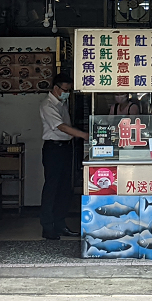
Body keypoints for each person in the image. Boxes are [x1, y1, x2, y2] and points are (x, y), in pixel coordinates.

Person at [39, 72, 88, 240]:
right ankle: (47, 227)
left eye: (69, 90)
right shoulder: (47, 105)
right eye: (65, 90)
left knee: (65, 188)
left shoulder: (62, 103)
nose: (67, 93)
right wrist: (83, 135)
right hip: (54, 149)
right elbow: (62, 127)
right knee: (52, 187)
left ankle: (60, 224)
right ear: (56, 88)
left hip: (66, 148)